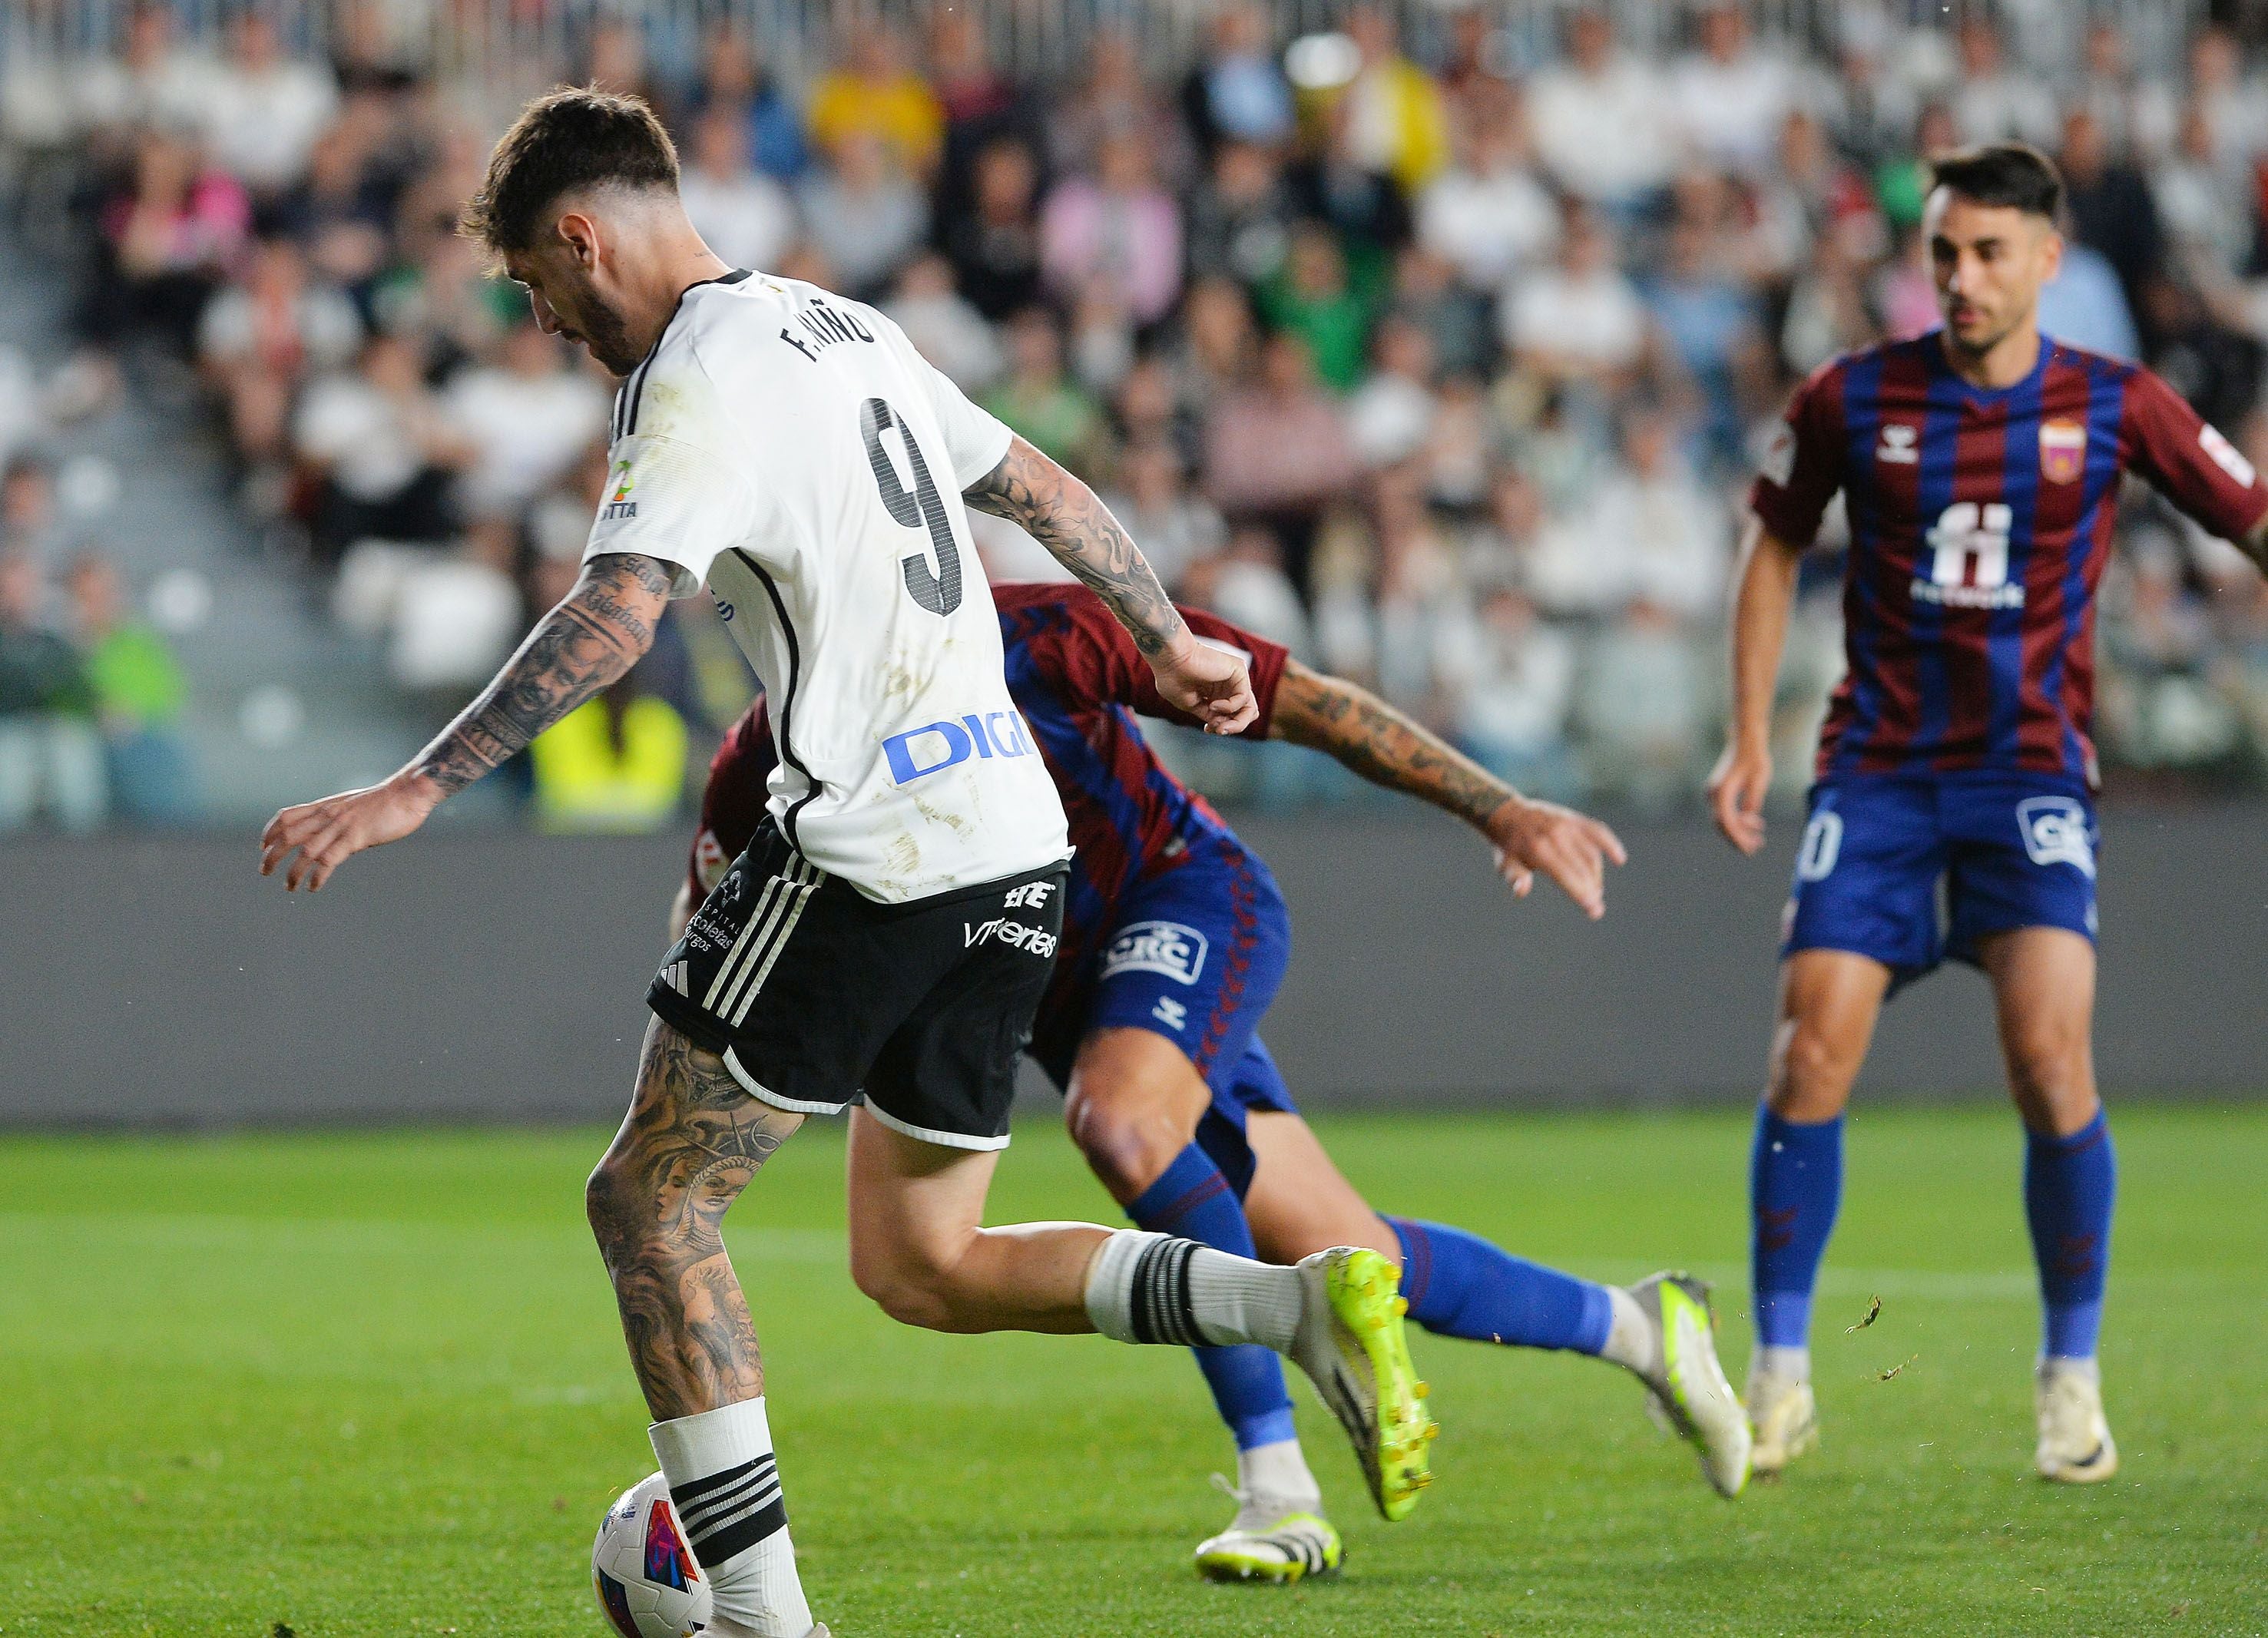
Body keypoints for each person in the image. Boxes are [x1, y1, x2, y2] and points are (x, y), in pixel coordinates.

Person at [257, 90, 1433, 1638]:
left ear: (582, 235)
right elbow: (1041, 488)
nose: (554, 329)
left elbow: (616, 613)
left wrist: (423, 778)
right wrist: (1166, 633)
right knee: (924, 1252)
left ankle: (762, 1619)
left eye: (544, 297)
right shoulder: (842, 326)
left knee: (650, 1206)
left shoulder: (692, 380)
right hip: (1020, 846)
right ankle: (1287, 1298)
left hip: (869, 842)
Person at [677, 581, 1752, 1580]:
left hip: (1178, 894)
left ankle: (1277, 1486)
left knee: (1121, 1122)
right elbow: (708, 931)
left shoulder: (1039, 634)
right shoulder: (762, 766)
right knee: (1349, 1254)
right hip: (1039, 995)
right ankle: (1639, 1326)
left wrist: (1498, 808)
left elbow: (1300, 702)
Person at [1710, 143, 2268, 1487]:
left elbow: (2250, 519)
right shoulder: (1852, 394)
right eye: (1944, 253)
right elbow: (1775, 536)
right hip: (1878, 776)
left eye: (1987, 254)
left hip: (2030, 776)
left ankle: (2067, 1380)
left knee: (2050, 1059)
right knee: (1807, 1054)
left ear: (2045, 262)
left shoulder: (2115, 402)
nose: (1960, 277)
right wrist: (1744, 733)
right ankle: (1780, 1374)